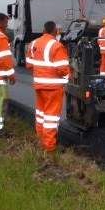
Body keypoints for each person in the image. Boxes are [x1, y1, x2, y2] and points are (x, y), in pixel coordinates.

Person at [27, 21, 70, 152]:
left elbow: (29, 65)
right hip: (53, 87)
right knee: (51, 117)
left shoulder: (33, 44)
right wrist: (69, 75)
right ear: (56, 31)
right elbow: (62, 69)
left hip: (39, 85)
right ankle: (49, 147)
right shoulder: (57, 46)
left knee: (41, 114)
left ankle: (40, 140)